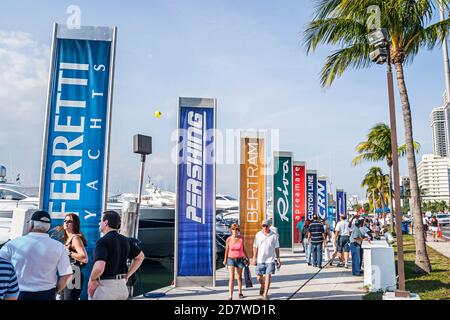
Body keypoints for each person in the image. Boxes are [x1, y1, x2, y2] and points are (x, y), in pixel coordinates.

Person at [0, 210, 73, 300]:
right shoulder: (59, 247)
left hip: (17, 294)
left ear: (31, 224)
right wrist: (55, 291)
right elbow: (67, 275)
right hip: (47, 294)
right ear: (48, 227)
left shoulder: (13, 244)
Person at [88, 211, 145, 300]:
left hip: (105, 289)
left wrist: (92, 280)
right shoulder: (126, 240)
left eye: (101, 221)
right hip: (122, 288)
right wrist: (127, 275)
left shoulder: (102, 241)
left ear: (106, 222)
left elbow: (99, 267)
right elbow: (140, 257)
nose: (99, 223)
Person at [59, 213, 88, 300]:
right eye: (65, 221)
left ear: (75, 224)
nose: (66, 223)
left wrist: (68, 252)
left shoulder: (75, 238)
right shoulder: (69, 238)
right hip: (69, 273)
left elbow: (84, 258)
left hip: (75, 273)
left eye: (69, 221)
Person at [252, 219, 280, 300]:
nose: (264, 227)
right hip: (260, 259)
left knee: (268, 277)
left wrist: (278, 258)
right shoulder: (258, 234)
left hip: (270, 260)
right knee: (259, 277)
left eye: (266, 226)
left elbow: (277, 247)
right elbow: (255, 246)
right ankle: (263, 285)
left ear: (269, 226)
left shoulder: (274, 235)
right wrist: (254, 257)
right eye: (263, 226)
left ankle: (265, 294)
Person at [223, 223, 249, 300]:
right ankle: (230, 296)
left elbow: (243, 249)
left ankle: (240, 292)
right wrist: (225, 259)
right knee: (231, 278)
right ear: (231, 230)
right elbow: (226, 250)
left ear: (238, 230)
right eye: (233, 229)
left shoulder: (241, 238)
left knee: (239, 277)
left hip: (240, 259)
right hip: (231, 259)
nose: (235, 230)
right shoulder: (228, 239)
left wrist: (247, 258)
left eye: (237, 229)